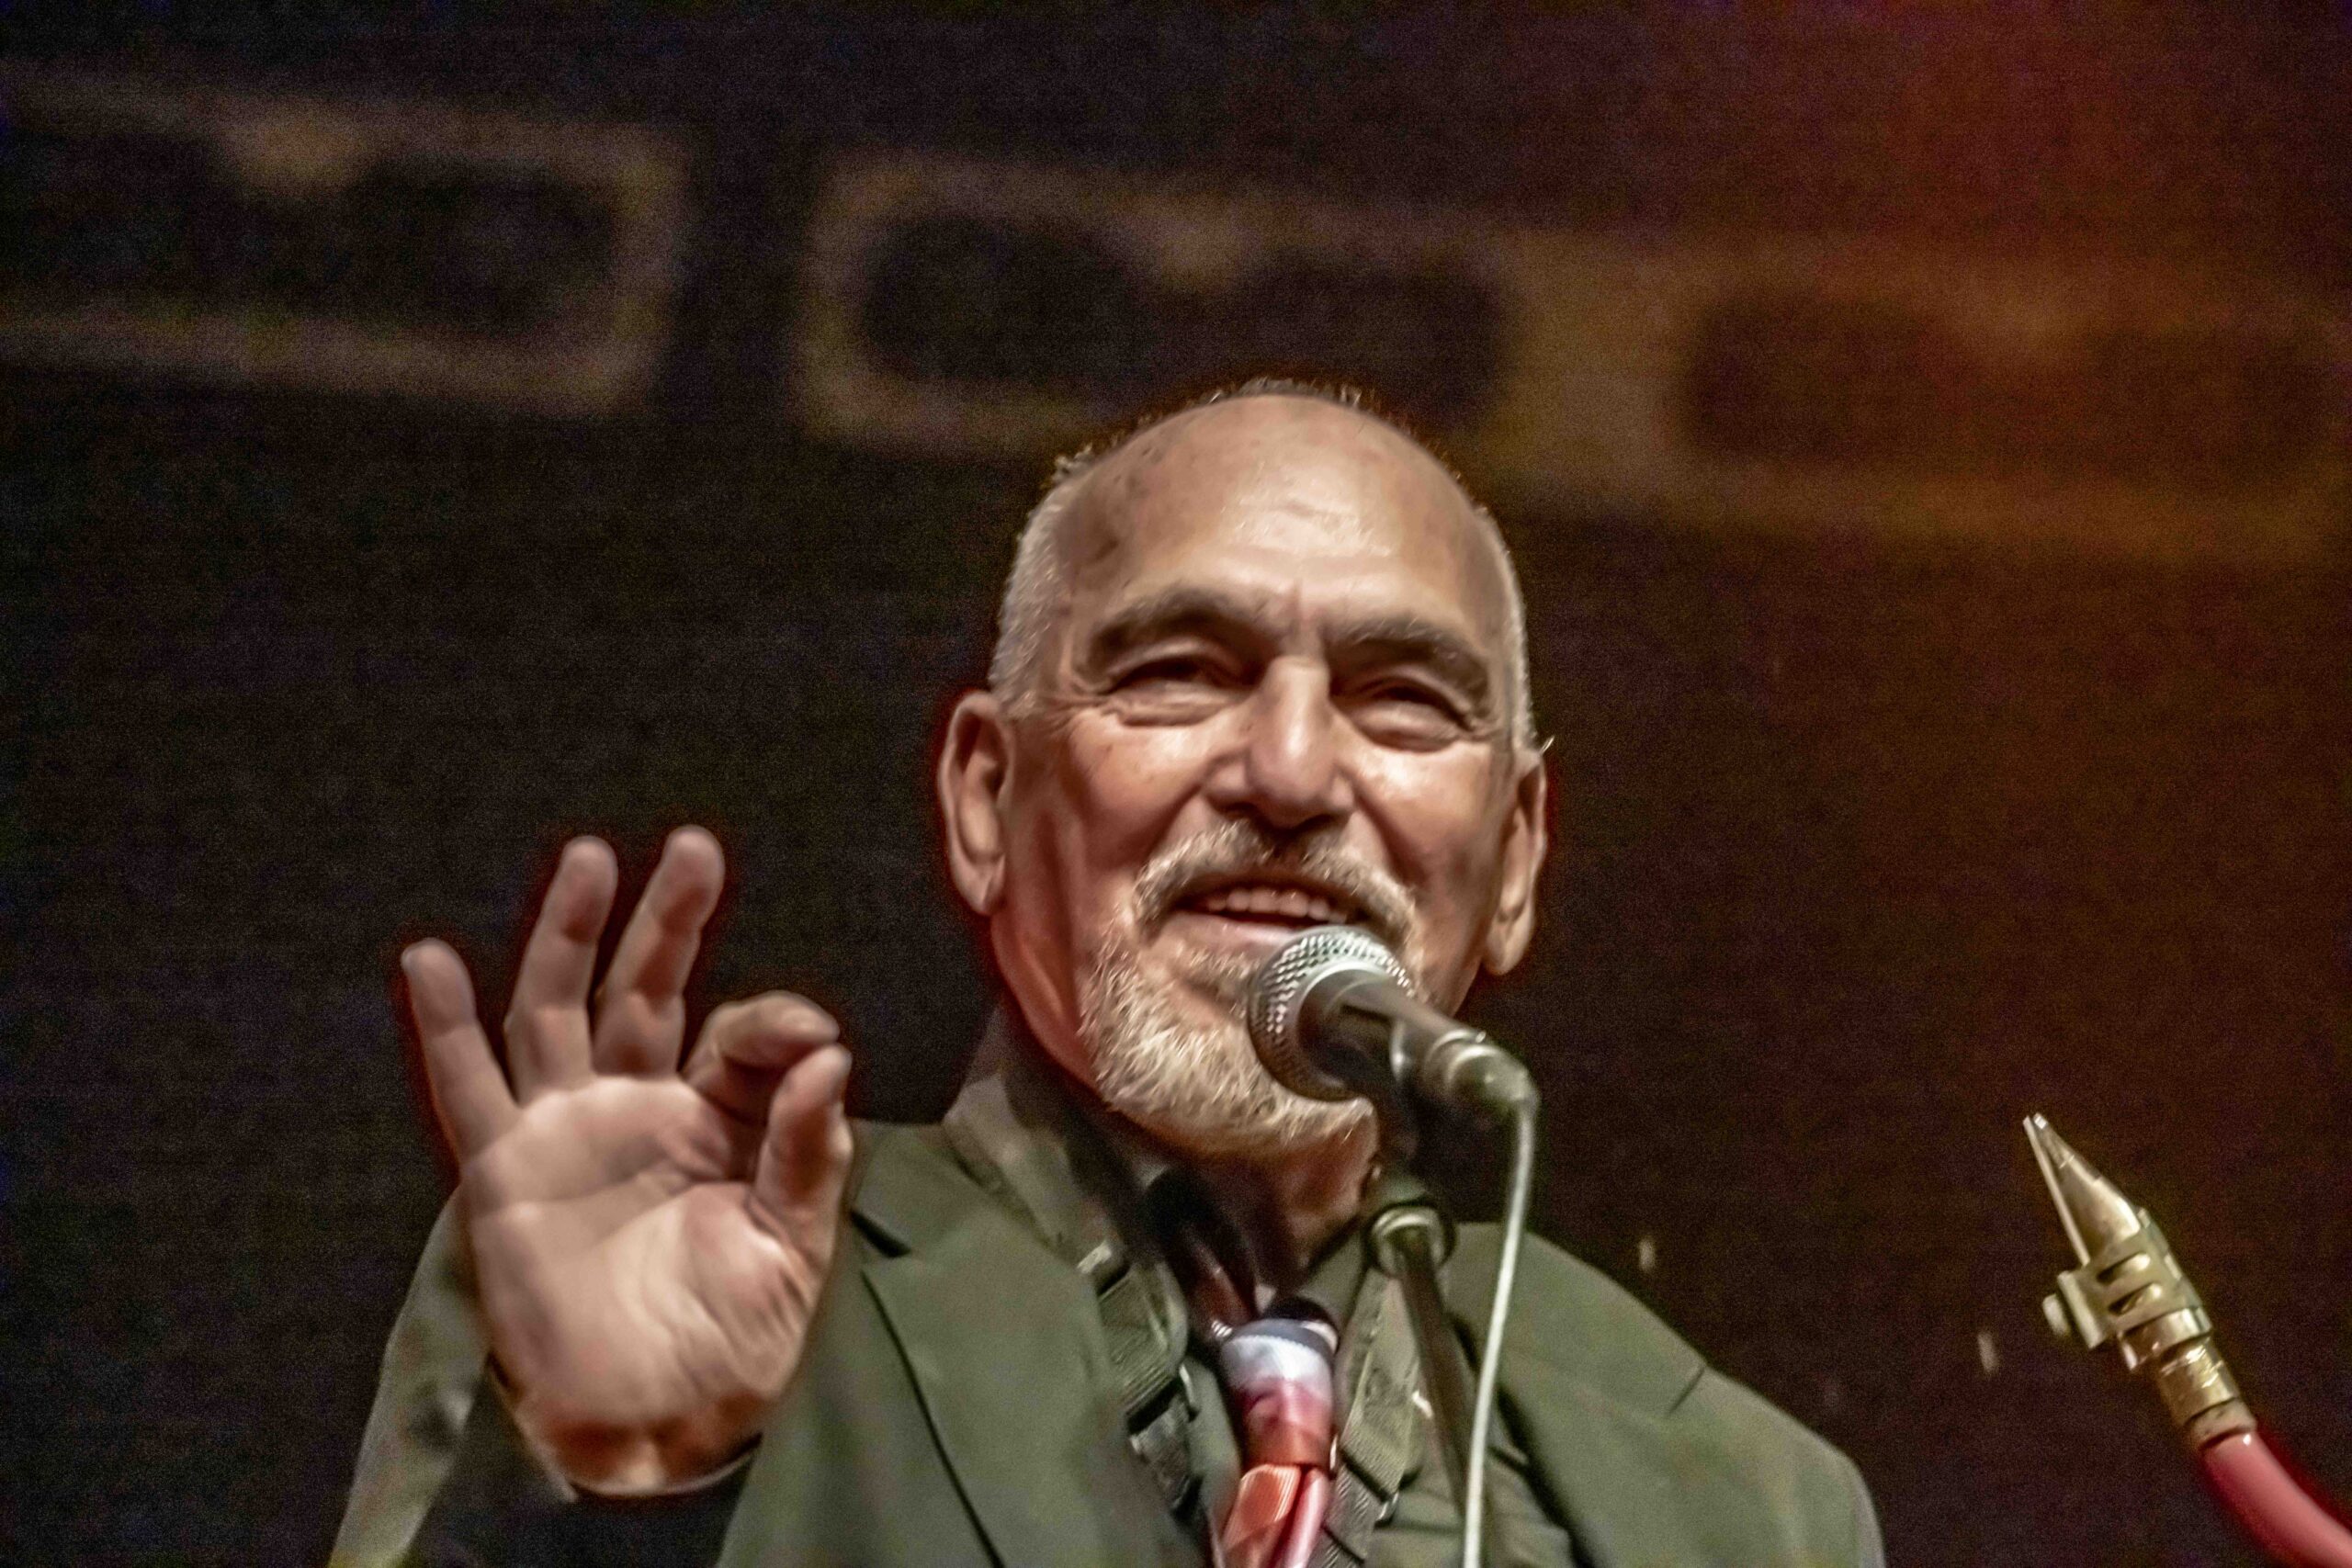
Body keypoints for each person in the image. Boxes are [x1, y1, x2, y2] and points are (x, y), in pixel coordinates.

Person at [334, 382, 1884, 1567]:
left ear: (1520, 855)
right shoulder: (678, 1274)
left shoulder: (1735, 1499)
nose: (1290, 772)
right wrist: (591, 1502)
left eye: (1404, 700)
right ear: (985, 799)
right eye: (1180, 672)